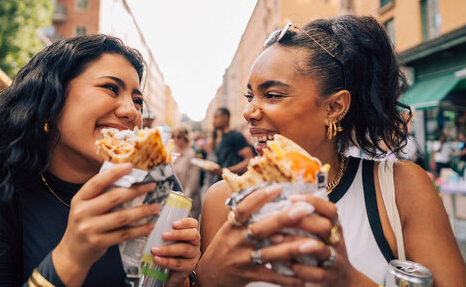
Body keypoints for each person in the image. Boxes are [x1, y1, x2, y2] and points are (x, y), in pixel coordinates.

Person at [196, 15, 466, 286]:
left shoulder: (399, 188)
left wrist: (347, 279)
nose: (249, 112)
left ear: (334, 108)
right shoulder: (224, 201)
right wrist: (206, 277)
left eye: (273, 95)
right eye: (249, 96)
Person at [0, 35, 200, 286]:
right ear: (50, 99)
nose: (131, 111)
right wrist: (71, 257)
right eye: (110, 88)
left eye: (137, 100)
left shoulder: (155, 183)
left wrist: (177, 279)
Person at [211, 107, 254, 175]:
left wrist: (224, 171)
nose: (213, 121)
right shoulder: (222, 137)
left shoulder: (235, 136)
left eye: (216, 117)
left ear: (225, 118)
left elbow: (249, 160)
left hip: (233, 181)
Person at [171, 124, 202, 219]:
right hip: (174, 200)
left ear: (185, 138)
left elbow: (193, 182)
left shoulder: (191, 154)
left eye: (179, 137)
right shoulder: (172, 152)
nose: (175, 139)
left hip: (187, 201)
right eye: (173, 136)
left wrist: (183, 201)